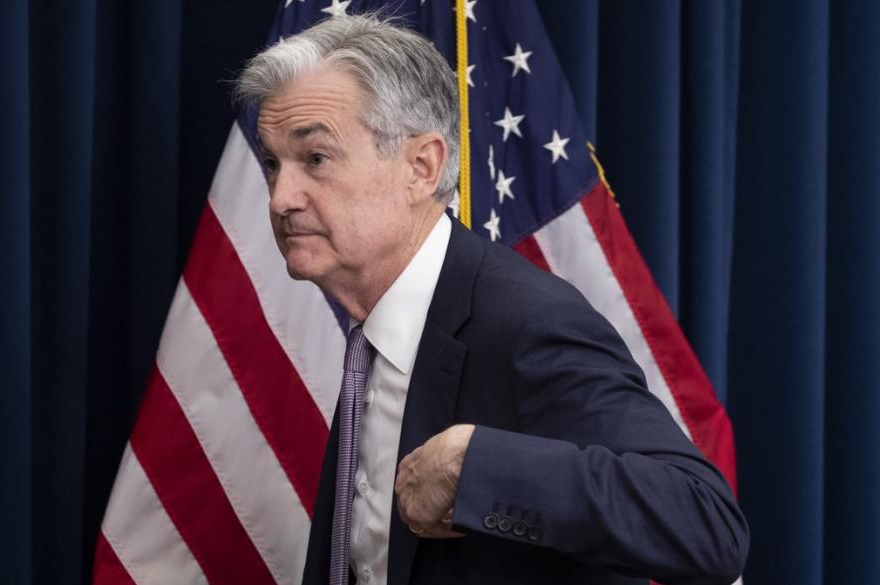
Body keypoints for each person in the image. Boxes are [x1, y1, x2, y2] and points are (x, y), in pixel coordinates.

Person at [233, 13, 748, 585]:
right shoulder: (371, 333)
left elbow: (707, 525)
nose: (281, 198)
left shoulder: (528, 321)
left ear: (421, 167)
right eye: (273, 164)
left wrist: (478, 470)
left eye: (316, 159)